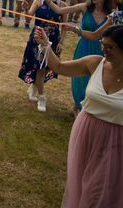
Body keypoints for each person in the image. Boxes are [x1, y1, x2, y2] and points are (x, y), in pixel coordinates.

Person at [34, 25, 123, 208]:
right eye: (102, 45)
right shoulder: (95, 63)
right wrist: (46, 45)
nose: (104, 50)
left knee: (103, 189)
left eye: (110, 47)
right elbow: (59, 67)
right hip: (87, 131)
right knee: (81, 182)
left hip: (116, 139)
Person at [42, 0, 113, 112]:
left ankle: (93, 105)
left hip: (101, 49)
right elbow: (59, 10)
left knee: (98, 78)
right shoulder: (85, 7)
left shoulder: (110, 15)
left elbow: (97, 35)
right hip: (84, 46)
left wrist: (74, 29)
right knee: (80, 77)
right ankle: (78, 106)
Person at [17, 0, 66, 112]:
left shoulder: (62, 5)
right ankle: (42, 97)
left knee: (45, 68)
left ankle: (34, 87)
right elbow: (28, 19)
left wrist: (61, 42)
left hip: (53, 38)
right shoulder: (38, 2)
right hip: (37, 38)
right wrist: (26, 9)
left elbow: (65, 27)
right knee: (39, 66)